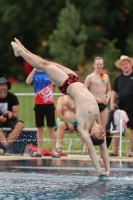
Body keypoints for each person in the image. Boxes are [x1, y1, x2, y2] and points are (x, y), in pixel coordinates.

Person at [11, 38, 110, 178]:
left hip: (66, 85)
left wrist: (99, 171)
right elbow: (104, 148)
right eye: (102, 133)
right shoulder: (97, 120)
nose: (101, 130)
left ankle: (20, 51)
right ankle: (21, 50)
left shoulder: (83, 124)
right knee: (49, 63)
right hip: (76, 79)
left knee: (44, 65)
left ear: (91, 134)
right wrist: (108, 169)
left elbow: (93, 150)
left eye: (99, 133)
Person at [26, 68, 60, 158]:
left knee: (51, 127)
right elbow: (28, 81)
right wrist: (33, 70)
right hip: (38, 103)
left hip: (49, 103)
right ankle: (39, 150)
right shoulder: (35, 73)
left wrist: (48, 71)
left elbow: (54, 83)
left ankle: (54, 150)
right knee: (40, 127)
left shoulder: (48, 72)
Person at [84, 57, 112, 149]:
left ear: (103, 65)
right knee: (89, 126)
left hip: (103, 104)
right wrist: (96, 98)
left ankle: (102, 150)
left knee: (102, 128)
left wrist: (107, 99)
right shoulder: (90, 77)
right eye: (97, 64)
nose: (99, 66)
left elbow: (109, 90)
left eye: (101, 64)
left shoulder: (105, 76)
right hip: (93, 104)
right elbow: (84, 90)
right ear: (94, 65)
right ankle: (87, 147)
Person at [110, 55, 133, 157]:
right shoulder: (119, 77)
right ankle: (115, 151)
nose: (125, 65)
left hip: (132, 107)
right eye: (123, 64)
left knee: (132, 129)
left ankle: (131, 151)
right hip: (121, 107)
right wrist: (111, 102)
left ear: (130, 64)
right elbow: (114, 91)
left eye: (126, 63)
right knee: (117, 129)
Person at [0, 77, 24, 155]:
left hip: (9, 120)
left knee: (20, 124)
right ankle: (6, 147)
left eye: (4, 85)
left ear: (7, 86)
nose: (3, 87)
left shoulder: (12, 97)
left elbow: (16, 115)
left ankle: (6, 147)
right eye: (1, 85)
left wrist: (11, 114)